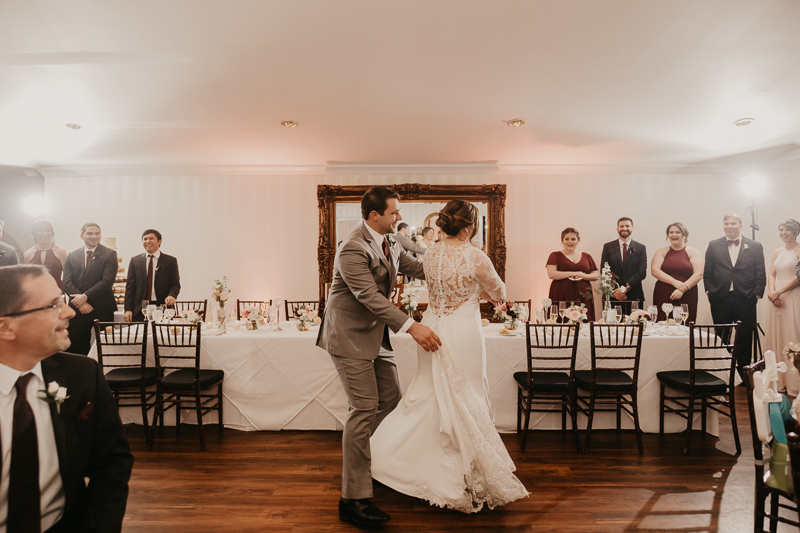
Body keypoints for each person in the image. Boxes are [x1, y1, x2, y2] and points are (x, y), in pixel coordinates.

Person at [371, 199, 528, 513]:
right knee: (464, 393)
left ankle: (390, 459)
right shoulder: (475, 256)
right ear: (469, 226)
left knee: (428, 391)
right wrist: (482, 289)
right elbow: (500, 293)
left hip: (433, 326)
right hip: (462, 332)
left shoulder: (431, 255)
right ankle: (462, 474)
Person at [316, 186, 442, 527]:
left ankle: (370, 461)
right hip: (348, 336)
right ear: (374, 215)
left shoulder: (392, 241)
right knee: (363, 408)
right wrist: (412, 327)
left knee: (390, 398)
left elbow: (418, 268)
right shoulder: (352, 247)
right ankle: (352, 498)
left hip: (376, 335)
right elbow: (369, 296)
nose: (399, 217)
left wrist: (456, 263)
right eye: (394, 212)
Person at [0, 264, 133, 532]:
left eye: (63, 300)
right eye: (52, 306)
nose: (69, 312)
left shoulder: (83, 374)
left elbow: (112, 463)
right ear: (6, 327)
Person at [703, 214, 766, 377]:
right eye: (726, 223)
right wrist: (709, 290)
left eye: (733, 223)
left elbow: (760, 272)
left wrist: (757, 294)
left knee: (745, 336)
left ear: (741, 226)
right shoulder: (714, 244)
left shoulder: (754, 245)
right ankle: (722, 372)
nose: (729, 226)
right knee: (721, 335)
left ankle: (743, 373)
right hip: (720, 297)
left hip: (746, 298)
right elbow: (707, 271)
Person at [62, 223, 119, 355]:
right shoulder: (72, 255)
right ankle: (81, 373)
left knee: (107, 345)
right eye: (90, 233)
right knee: (77, 345)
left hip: (103, 307)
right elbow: (67, 282)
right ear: (81, 235)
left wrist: (85, 297)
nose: (94, 236)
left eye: (97, 233)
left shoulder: (110, 254)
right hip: (77, 308)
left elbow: (107, 281)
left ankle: (106, 374)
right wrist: (80, 302)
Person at [764, 219, 800, 394]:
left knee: (792, 333)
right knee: (777, 335)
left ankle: (794, 382)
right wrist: (772, 292)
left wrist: (780, 292)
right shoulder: (777, 252)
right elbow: (771, 273)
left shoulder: (799, 249)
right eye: (781, 229)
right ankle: (779, 382)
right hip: (775, 298)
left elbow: (799, 276)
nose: (783, 232)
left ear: (795, 232)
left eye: (787, 230)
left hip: (792, 296)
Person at [124, 229, 181, 322]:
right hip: (140, 309)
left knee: (162, 335)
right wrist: (128, 309)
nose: (148, 241)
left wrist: (172, 295)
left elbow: (175, 284)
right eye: (145, 239)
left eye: (151, 238)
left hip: (162, 307)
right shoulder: (135, 261)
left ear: (159, 241)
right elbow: (130, 287)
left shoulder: (170, 261)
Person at [651, 222, 703, 323]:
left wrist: (682, 289)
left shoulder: (693, 252)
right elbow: (655, 271)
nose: (674, 235)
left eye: (678, 232)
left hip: (687, 294)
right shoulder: (661, 251)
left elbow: (699, 274)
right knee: (662, 323)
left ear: (684, 235)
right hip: (664, 294)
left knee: (685, 324)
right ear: (667, 235)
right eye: (671, 232)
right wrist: (675, 282)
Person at [546, 227, 599, 321]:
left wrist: (583, 276)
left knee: (584, 322)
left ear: (578, 240)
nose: (570, 242)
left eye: (573, 239)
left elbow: (596, 274)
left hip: (583, 295)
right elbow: (552, 274)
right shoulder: (555, 255)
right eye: (566, 239)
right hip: (561, 294)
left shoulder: (587, 256)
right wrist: (573, 273)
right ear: (562, 240)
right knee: (561, 321)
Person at [600, 217, 648, 309]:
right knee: (612, 323)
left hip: (634, 294)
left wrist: (625, 289)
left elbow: (642, 272)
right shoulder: (608, 247)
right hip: (613, 295)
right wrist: (617, 291)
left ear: (632, 228)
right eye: (621, 226)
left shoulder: (641, 248)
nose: (624, 228)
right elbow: (604, 271)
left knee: (635, 323)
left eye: (627, 226)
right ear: (617, 229)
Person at [23, 219, 67, 291]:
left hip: (56, 291)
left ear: (51, 232)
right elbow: (28, 278)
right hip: (36, 292)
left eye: (48, 230)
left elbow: (67, 276)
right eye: (41, 230)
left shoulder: (61, 251)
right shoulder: (28, 254)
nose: (45, 233)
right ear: (34, 233)